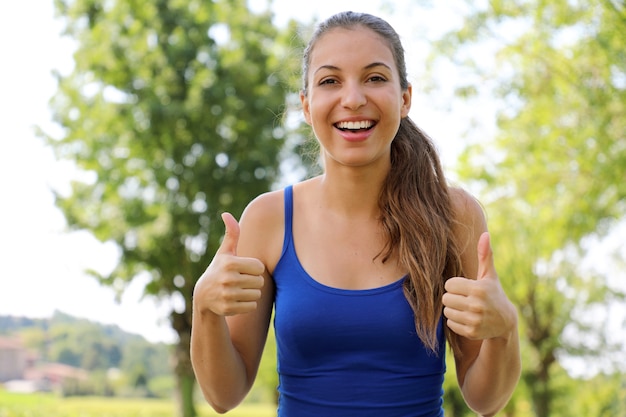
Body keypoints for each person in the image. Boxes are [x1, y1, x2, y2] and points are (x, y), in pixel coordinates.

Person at [191, 11, 520, 417]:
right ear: (307, 106)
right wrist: (203, 309)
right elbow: (224, 394)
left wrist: (504, 330)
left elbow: (484, 399)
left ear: (405, 98)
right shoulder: (268, 218)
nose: (353, 98)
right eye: (330, 81)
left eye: (375, 78)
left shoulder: (454, 215)